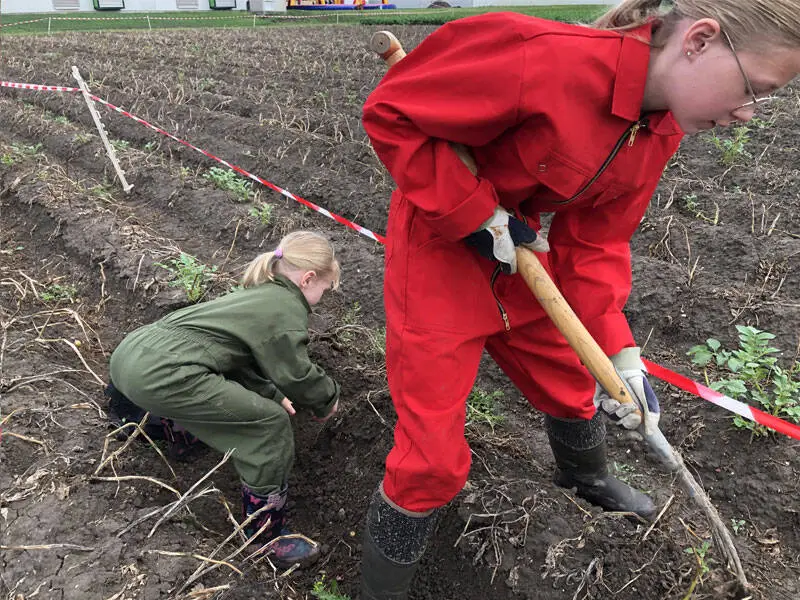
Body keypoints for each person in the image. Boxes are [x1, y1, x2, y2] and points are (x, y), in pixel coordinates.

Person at [358, 0, 800, 597]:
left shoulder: (659, 126)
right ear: (699, 41)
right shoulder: (536, 56)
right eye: (755, 89)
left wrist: (620, 353)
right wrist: (471, 213)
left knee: (571, 381)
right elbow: (391, 112)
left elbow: (596, 241)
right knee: (431, 459)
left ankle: (586, 478)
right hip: (440, 250)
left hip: (522, 248)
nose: (747, 113)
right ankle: (381, 589)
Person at [105, 231, 341, 569]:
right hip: (161, 373)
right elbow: (297, 374)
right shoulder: (286, 307)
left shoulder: (257, 294)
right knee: (269, 426)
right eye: (326, 288)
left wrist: (271, 392)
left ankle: (172, 434)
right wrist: (327, 400)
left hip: (132, 357)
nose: (322, 297)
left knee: (229, 396)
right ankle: (265, 536)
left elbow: (234, 358)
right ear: (308, 279)